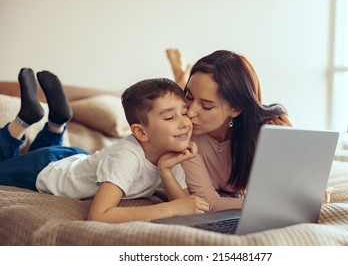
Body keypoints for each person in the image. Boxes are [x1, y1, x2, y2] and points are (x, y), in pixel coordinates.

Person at [0, 68, 209, 223]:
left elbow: (185, 205)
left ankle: (56, 122)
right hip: (44, 170)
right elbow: (99, 215)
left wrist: (165, 171)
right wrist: (170, 210)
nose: (184, 122)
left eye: (184, 112)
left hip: (74, 159)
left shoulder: (172, 152)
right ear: (141, 132)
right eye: (170, 117)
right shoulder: (126, 157)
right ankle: (23, 122)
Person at [166, 49, 294, 211]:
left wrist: (288, 143)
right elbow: (209, 203)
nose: (190, 113)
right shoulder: (185, 137)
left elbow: (292, 184)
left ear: (235, 109)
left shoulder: (263, 132)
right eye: (189, 97)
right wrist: (272, 204)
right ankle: (180, 76)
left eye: (206, 106)